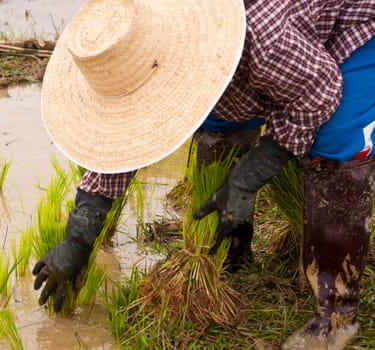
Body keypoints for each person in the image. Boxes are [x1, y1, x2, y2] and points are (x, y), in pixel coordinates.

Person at [33, 0, 375, 349]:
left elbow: (319, 92)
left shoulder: (259, 34)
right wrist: (78, 239)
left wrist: (248, 177)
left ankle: (338, 314)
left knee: (336, 144)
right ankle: (233, 253)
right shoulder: (140, 33)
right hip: (264, 56)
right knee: (216, 123)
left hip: (349, 33)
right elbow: (129, 133)